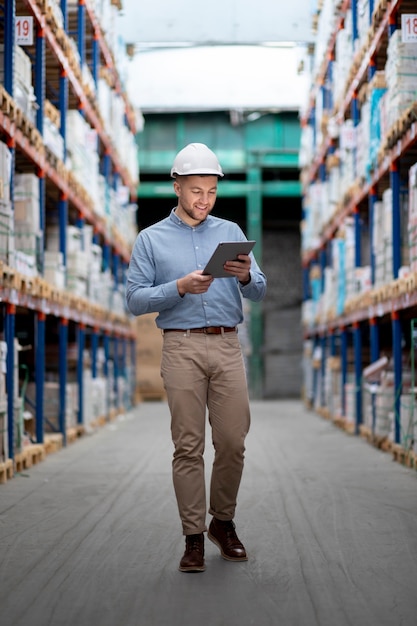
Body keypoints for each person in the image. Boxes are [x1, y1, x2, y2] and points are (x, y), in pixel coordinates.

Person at [126, 143, 267, 573]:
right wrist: (179, 288)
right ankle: (192, 538)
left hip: (226, 346)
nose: (204, 200)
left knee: (232, 443)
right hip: (181, 347)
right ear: (176, 187)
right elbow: (134, 300)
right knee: (188, 447)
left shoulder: (230, 232)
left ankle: (221, 523)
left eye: (210, 191)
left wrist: (246, 275)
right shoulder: (150, 240)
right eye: (195, 191)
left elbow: (259, 288)